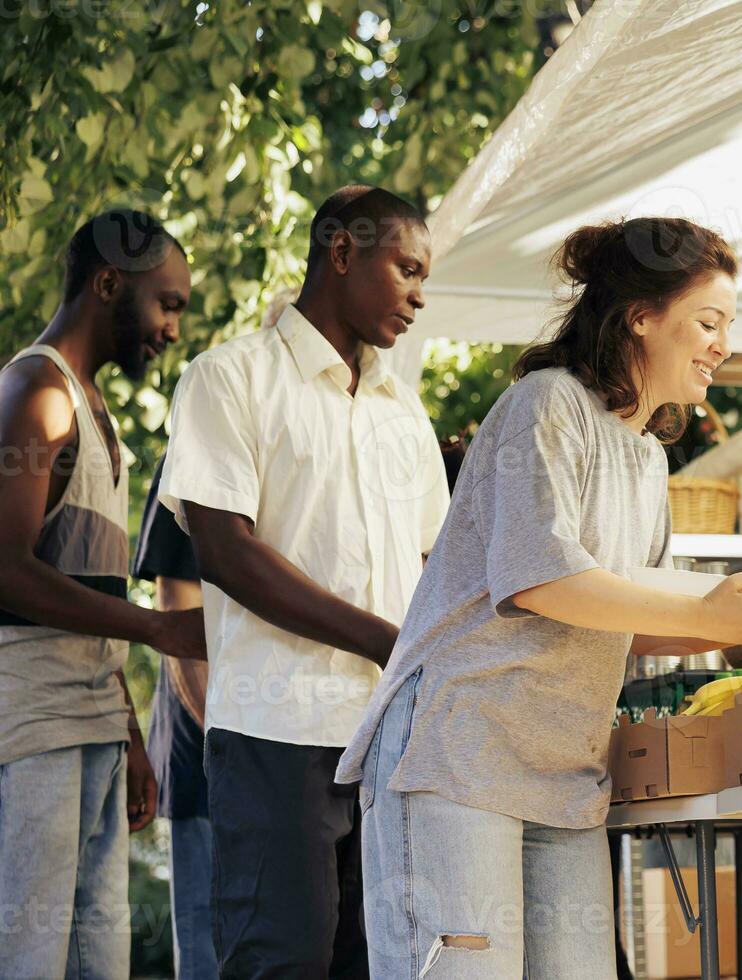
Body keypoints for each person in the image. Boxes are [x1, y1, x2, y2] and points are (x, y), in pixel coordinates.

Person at [335, 216, 742, 979]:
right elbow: (544, 579)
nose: (723, 344)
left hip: (563, 777)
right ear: (640, 316)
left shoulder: (646, 459)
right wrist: (706, 612)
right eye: (708, 321)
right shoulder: (546, 405)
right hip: (457, 755)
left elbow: (640, 616)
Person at [158, 185, 450, 978]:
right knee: (279, 960)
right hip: (273, 734)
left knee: (377, 962)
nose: (421, 296)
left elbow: (431, 567)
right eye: (408, 269)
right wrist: (384, 639)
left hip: (386, 740)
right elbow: (225, 552)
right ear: (343, 252)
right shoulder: (228, 379)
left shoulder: (405, 412)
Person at [0, 209, 205, 978]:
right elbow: (7, 570)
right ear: (109, 283)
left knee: (96, 961)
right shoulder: (35, 392)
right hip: (30, 729)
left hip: (89, 724)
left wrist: (125, 727)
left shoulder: (96, 412)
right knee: (29, 958)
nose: (173, 328)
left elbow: (83, 581)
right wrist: (160, 630)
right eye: (168, 303)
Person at [134, 455, 217, 979]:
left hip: (297, 759)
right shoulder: (199, 440)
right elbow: (175, 606)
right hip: (211, 754)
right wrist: (227, 744)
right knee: (210, 955)